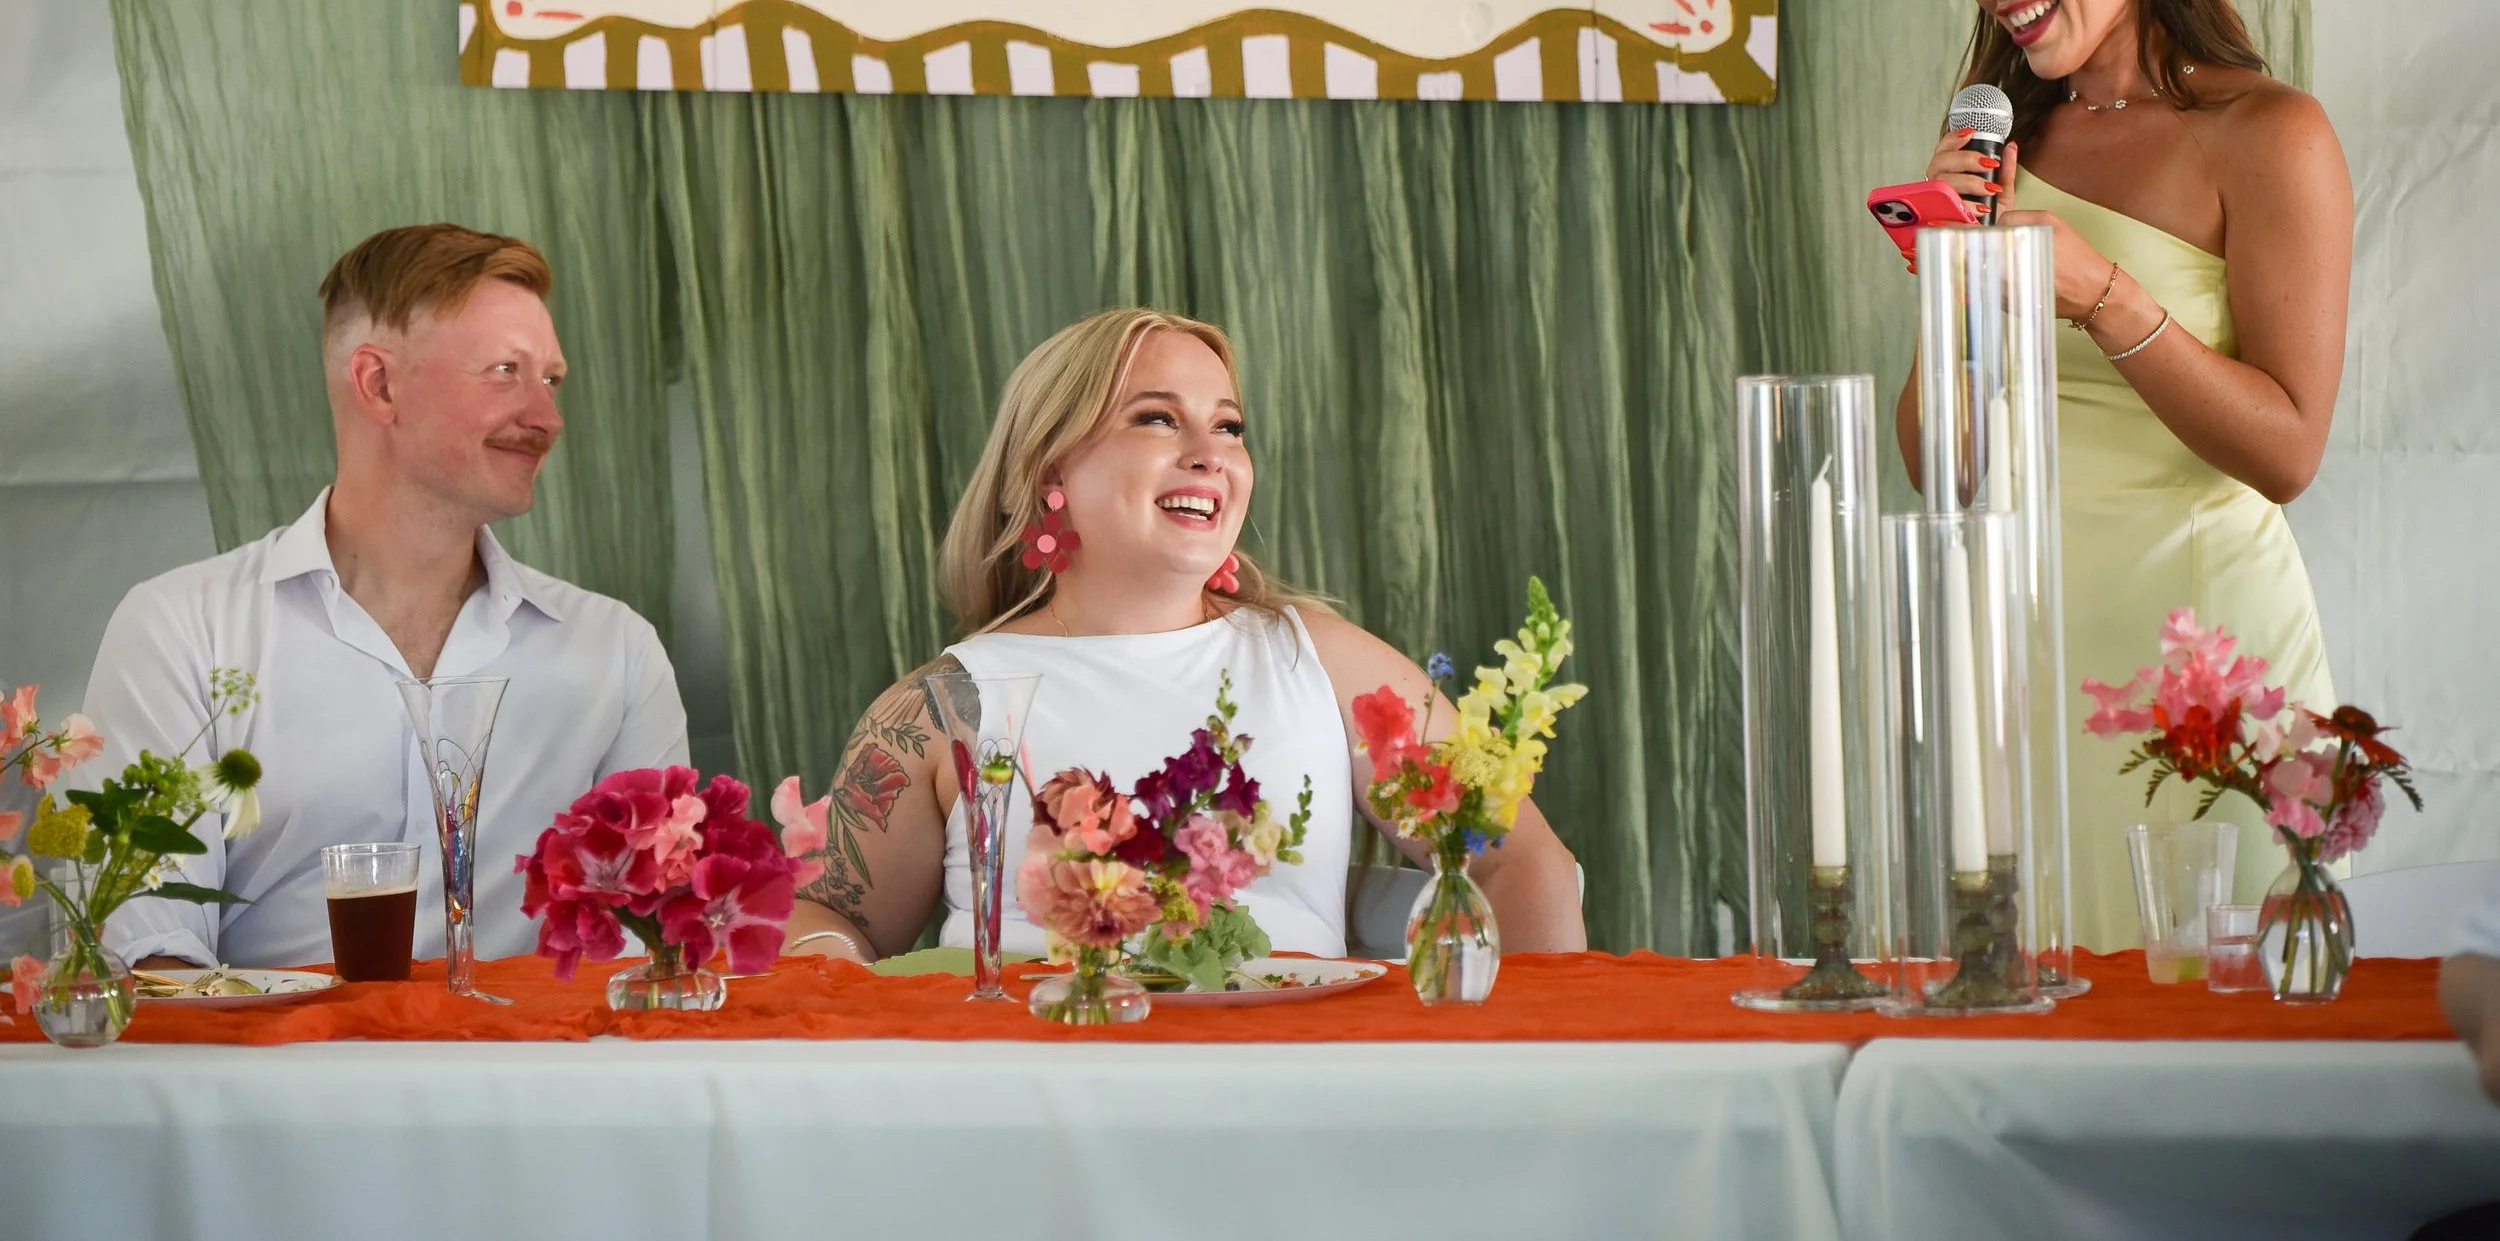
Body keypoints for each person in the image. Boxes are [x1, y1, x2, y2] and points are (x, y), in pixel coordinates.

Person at [1897, 0, 2352, 951]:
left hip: (2200, 648)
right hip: (2020, 645)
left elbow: (2287, 449)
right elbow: (1933, 464)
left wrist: (2100, 293)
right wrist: (1952, 273)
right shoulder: (2000, 144)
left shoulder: (2266, 134)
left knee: (2212, 1020)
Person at [782, 308, 1586, 965]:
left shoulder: (1326, 663)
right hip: (1031, 1110)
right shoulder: (942, 707)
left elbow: (1513, 857)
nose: (1210, 455)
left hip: (1288, 1100)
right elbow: (833, 917)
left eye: (1229, 427)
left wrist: (1527, 1069)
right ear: (1048, 472)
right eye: (1158, 418)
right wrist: (827, 962)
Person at [82, 225, 689, 969]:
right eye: (505, 371)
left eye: (550, 379)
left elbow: (648, 955)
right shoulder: (181, 632)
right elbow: (150, 951)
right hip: (266, 1080)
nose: (547, 417)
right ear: (378, 384)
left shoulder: (615, 653)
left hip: (536, 1078)